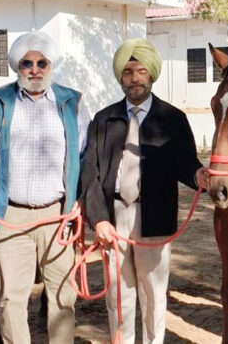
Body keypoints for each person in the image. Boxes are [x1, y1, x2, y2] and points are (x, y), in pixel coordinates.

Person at [0, 31, 90, 344]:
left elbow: (83, 155)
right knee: (11, 300)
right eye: (27, 62)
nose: (35, 69)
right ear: (17, 66)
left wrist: (78, 202)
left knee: (63, 298)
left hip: (58, 216)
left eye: (42, 62)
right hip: (11, 216)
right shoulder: (0, 101)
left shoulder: (72, 102)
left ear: (51, 65)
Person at [82, 38, 209, 344]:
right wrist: (99, 220)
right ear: (120, 77)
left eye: (140, 71)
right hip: (113, 219)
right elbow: (90, 174)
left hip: (155, 215)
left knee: (152, 293)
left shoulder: (173, 119)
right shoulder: (103, 120)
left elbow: (185, 163)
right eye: (127, 72)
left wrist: (198, 175)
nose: (134, 78)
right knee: (118, 295)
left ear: (151, 74)